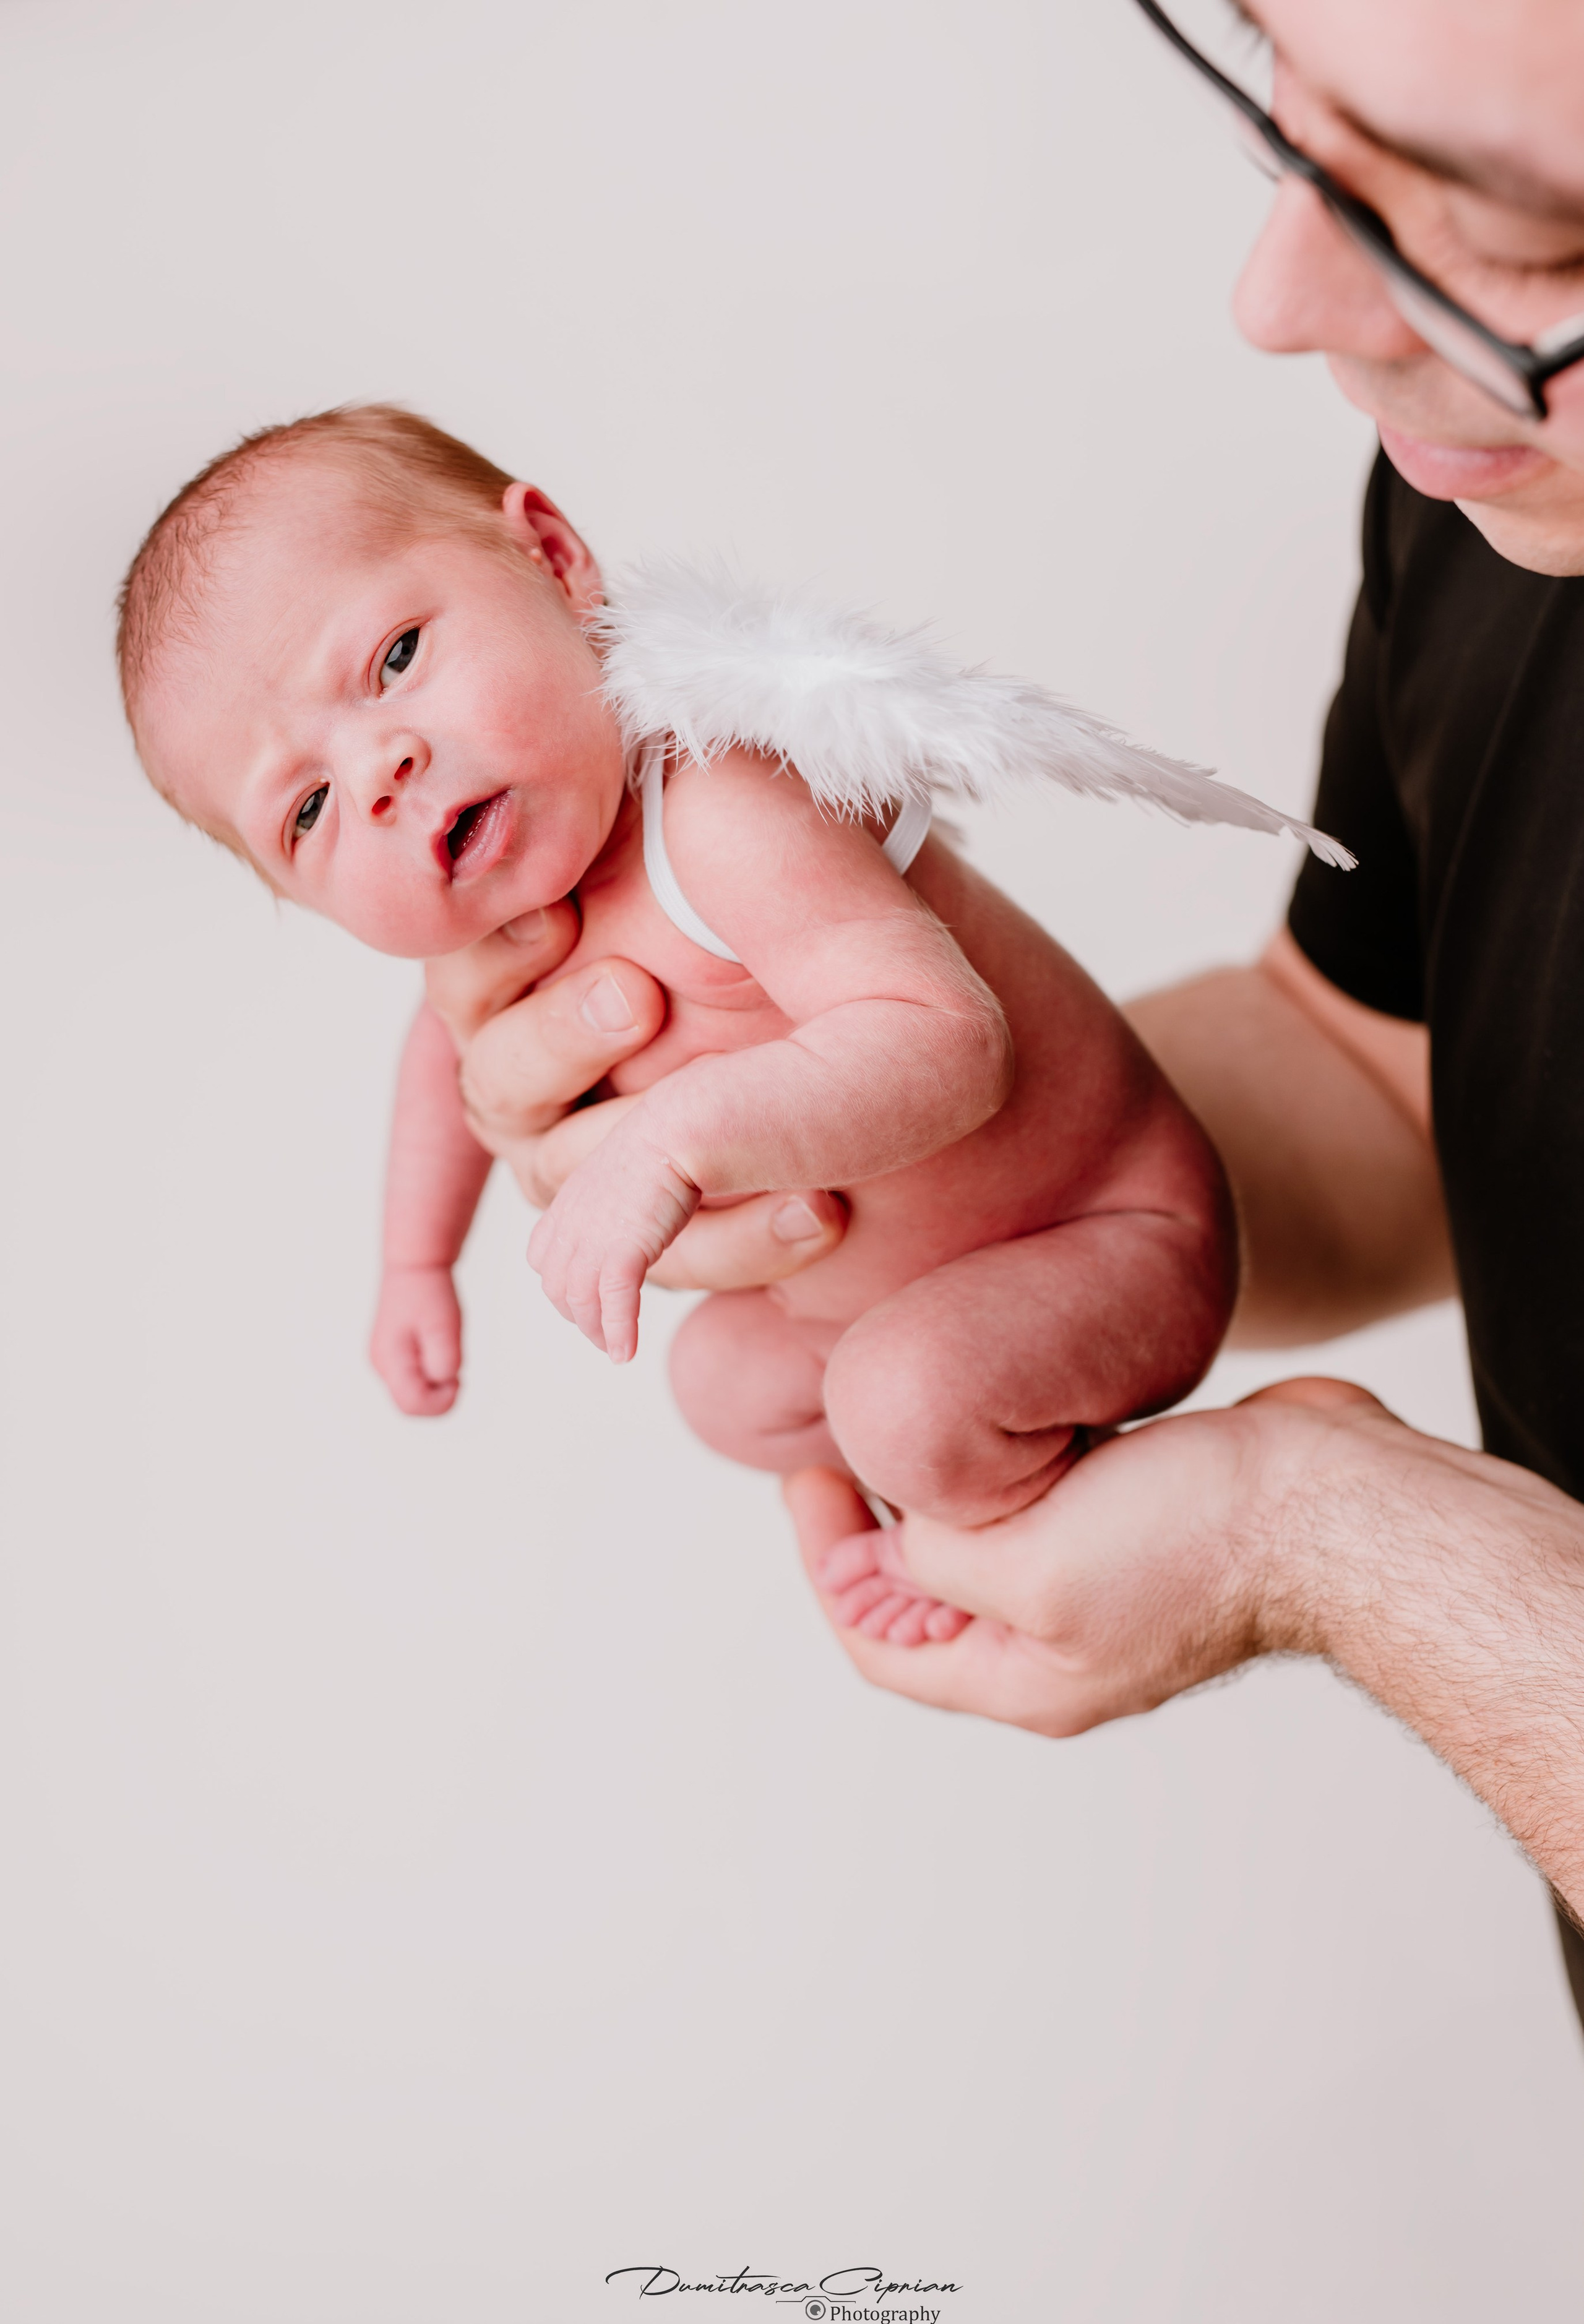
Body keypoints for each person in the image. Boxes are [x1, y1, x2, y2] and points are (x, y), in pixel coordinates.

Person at [426, 0, 1584, 1989]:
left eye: (1500, 225)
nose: (1282, 298)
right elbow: (1391, 1079)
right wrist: (881, 1126)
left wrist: (1315, 1538)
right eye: (1292, 117)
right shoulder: (1500, 480)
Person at [122, 403, 1364, 1621]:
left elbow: (948, 1042)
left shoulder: (715, 805)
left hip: (1108, 1230)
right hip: (916, 1299)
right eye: (307, 810)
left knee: (900, 1398)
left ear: (550, 558)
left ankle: (1014, 1541)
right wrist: (416, 1262)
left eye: (395, 658)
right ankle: (886, 1513)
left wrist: (669, 1144)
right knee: (719, 1383)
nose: (378, 772)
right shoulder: (494, 937)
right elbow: (442, 1070)